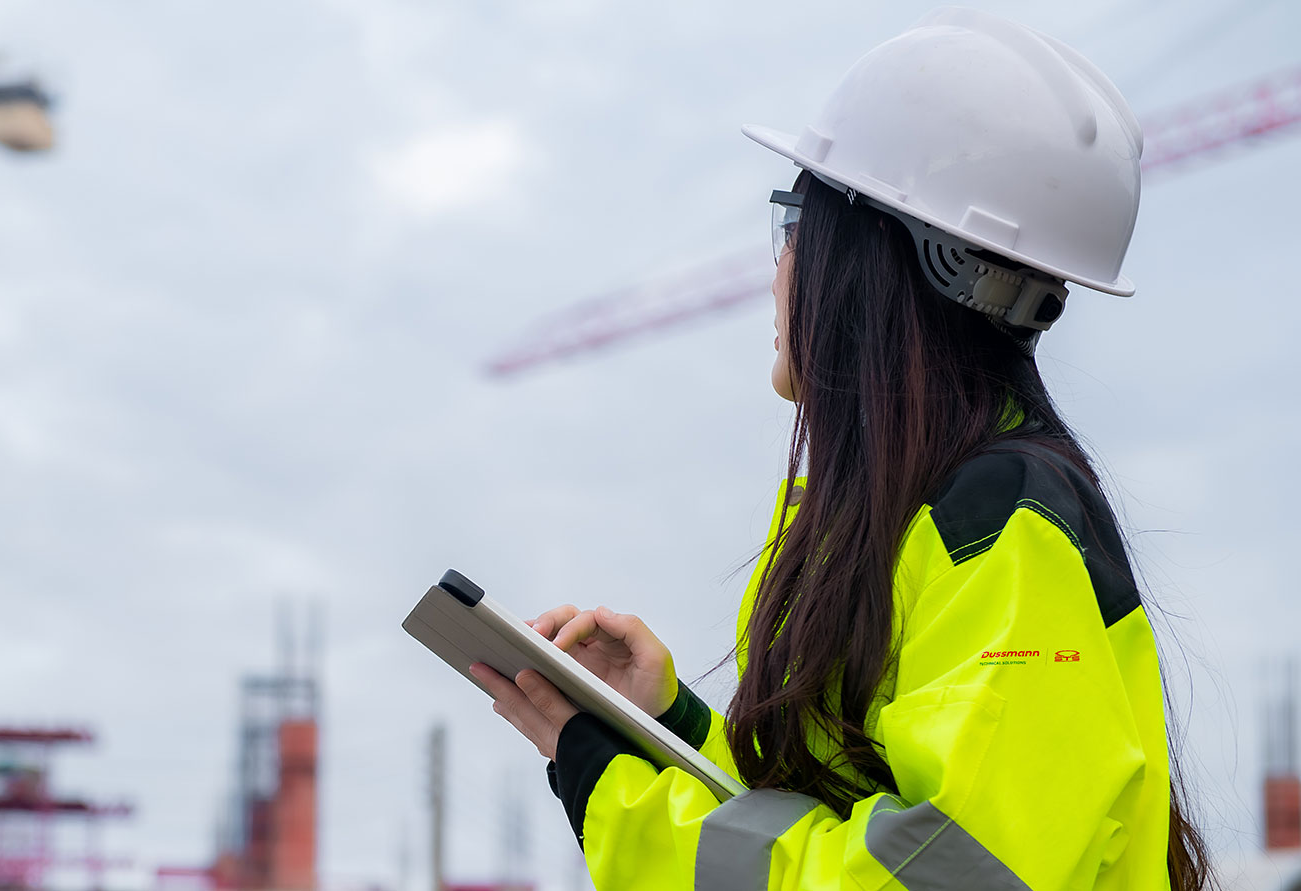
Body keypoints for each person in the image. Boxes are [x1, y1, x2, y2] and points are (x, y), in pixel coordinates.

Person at [468, 8, 1210, 890]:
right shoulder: (921, 528)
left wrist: (622, 802)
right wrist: (673, 727)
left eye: (796, 226)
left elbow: (950, 877)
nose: (781, 267)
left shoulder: (998, 531)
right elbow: (851, 822)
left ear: (868, 262)